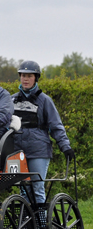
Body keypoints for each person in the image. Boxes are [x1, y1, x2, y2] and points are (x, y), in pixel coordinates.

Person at [12, 60, 74, 206]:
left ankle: (41, 226)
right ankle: (26, 226)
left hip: (38, 150)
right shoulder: (12, 100)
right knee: (24, 190)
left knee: (37, 188)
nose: (26, 79)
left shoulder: (45, 101)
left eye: (29, 76)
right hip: (17, 151)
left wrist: (65, 146)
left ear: (36, 78)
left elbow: (56, 126)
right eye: (23, 75)